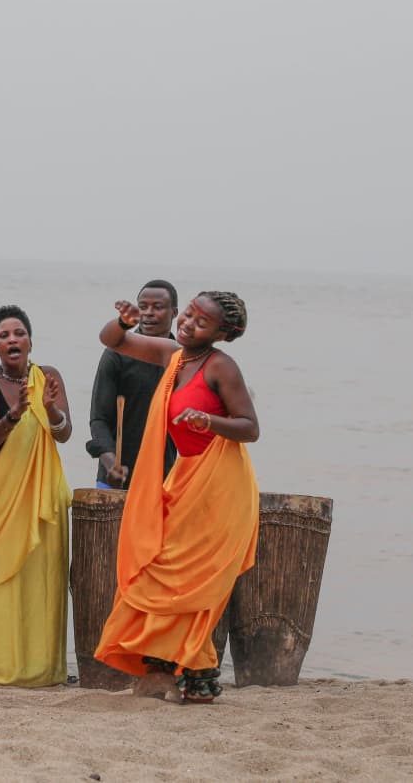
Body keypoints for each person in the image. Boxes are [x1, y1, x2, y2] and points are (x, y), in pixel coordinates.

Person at [93, 290, 259, 704]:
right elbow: (112, 341)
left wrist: (209, 419)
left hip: (220, 484)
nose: (187, 324)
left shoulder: (221, 367)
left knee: (193, 578)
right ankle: (185, 669)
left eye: (201, 322)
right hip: (184, 476)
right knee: (158, 567)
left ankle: (191, 670)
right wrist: (124, 322)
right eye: (188, 314)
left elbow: (250, 427)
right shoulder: (173, 356)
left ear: (222, 333)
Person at [0, 305, 72, 687]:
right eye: (4, 335)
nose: (13, 340)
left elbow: (63, 433)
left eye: (19, 333)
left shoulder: (49, 376)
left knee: (39, 581)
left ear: (30, 340)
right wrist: (12, 415)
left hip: (43, 496)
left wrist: (50, 409)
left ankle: (41, 669)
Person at [85, 281, 179, 488]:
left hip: (165, 477)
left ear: (174, 312)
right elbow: (99, 419)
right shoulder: (116, 352)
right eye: (143, 306)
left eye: (158, 307)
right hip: (116, 478)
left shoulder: (180, 358)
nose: (148, 313)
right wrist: (112, 464)